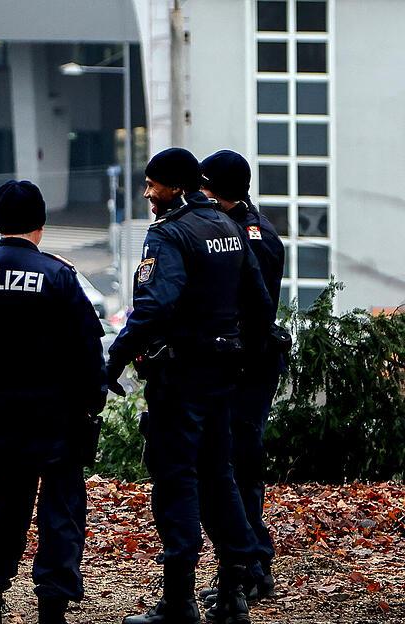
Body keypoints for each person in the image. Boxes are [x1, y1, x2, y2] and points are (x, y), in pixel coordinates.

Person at [108, 148, 274, 624]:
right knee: (219, 476)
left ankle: (179, 600)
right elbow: (260, 302)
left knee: (176, 480)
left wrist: (115, 358)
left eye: (153, 185)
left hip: (180, 378)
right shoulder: (227, 227)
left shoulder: (169, 233)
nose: (147, 193)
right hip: (222, 375)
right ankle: (233, 591)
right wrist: (242, 358)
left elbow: (155, 305)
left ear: (176, 187)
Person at [0, 180, 106, 624]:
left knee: (1, 511)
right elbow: (88, 349)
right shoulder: (57, 276)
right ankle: (52, 605)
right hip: (58, 415)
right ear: (41, 223)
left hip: (3, 414)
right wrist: (92, 401)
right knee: (60, 511)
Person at [197, 150, 286, 608]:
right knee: (229, 467)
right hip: (240, 365)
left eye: (204, 187)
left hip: (249, 369)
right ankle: (243, 566)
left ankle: (252, 568)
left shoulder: (254, 237)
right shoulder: (237, 228)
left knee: (239, 467)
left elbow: (254, 309)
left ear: (217, 191)